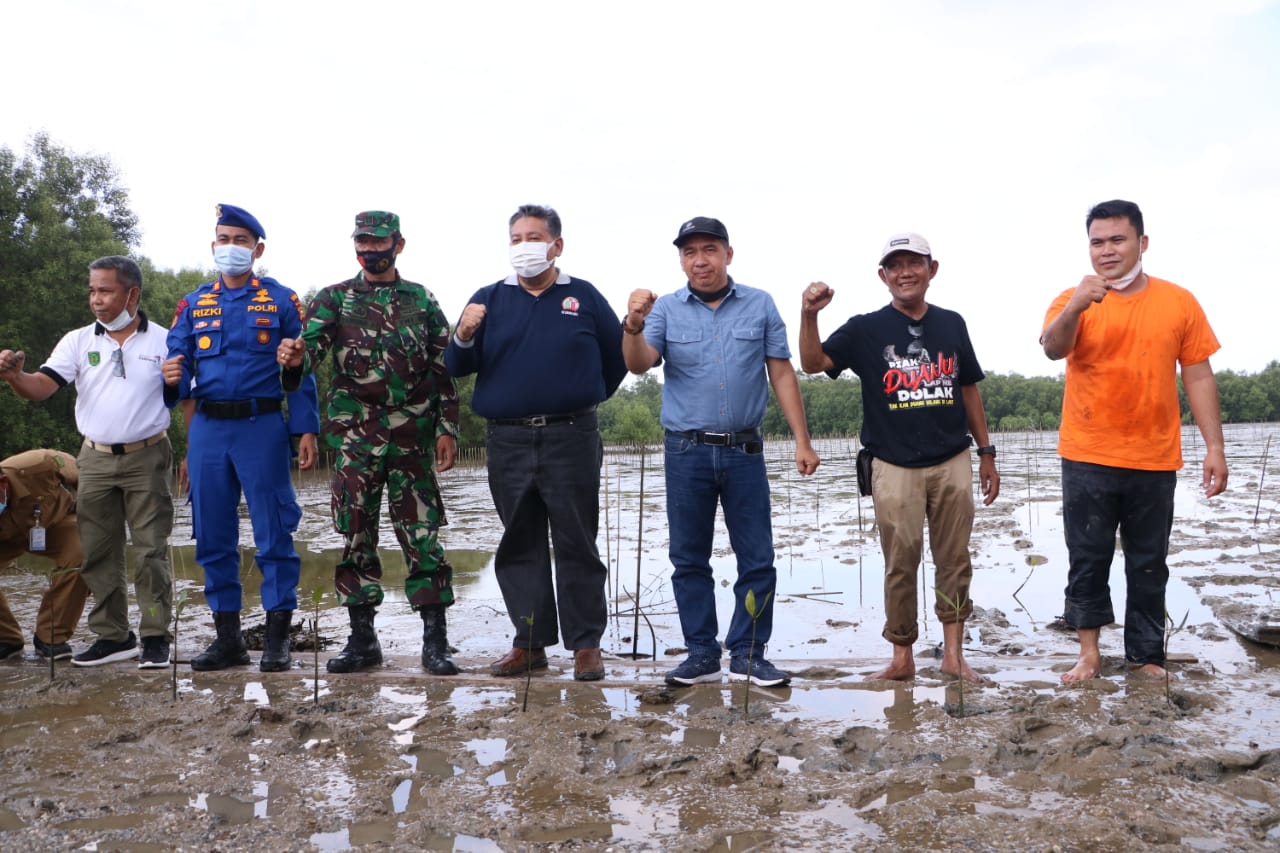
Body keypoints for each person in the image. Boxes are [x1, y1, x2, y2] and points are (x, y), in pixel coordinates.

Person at [623, 216, 820, 688]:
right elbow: (637, 366)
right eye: (689, 252)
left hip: (744, 451)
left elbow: (782, 374)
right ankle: (701, 654)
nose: (700, 260)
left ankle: (750, 653)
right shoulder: (665, 310)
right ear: (681, 260)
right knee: (689, 559)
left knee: (757, 558)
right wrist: (631, 325)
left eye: (709, 249)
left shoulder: (760, 304)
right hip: (685, 452)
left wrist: (802, 440)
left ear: (728, 254)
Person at [798, 232, 1000, 683]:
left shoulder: (952, 324)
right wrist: (809, 315)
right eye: (895, 265)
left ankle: (953, 656)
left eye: (915, 263)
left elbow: (968, 387)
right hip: (892, 465)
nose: (905, 272)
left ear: (932, 269)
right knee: (900, 561)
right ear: (883, 276)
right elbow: (813, 363)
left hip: (952, 458)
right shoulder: (865, 328)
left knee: (954, 558)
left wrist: (986, 453)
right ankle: (902, 657)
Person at [1040, 199, 1227, 683]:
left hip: (1153, 456)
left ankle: (1146, 657)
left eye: (1117, 240)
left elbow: (1199, 376)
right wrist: (1079, 304)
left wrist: (1215, 447)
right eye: (1097, 242)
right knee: (1088, 558)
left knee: (1148, 563)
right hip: (1086, 453)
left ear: (1142, 243)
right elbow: (1052, 347)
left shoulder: (1178, 301)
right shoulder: (1071, 298)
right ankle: (1089, 653)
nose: (1106, 251)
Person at [445, 203, 626, 682]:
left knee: (577, 542)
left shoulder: (584, 297)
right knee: (519, 542)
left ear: (556, 245)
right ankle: (529, 644)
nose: (524, 246)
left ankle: (586, 646)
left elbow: (617, 362)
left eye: (534, 237)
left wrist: (579, 397)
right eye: (516, 238)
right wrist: (462, 334)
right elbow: (456, 367)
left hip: (572, 436)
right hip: (507, 440)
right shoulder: (487, 299)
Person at [277, 211, 461, 675]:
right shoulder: (334, 300)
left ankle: (435, 644)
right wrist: (294, 359)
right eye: (362, 242)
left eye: (378, 243)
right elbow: (307, 358)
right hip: (356, 439)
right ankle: (362, 642)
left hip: (412, 437)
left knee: (423, 538)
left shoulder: (421, 299)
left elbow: (444, 368)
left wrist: (447, 428)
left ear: (398, 245)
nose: (370, 250)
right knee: (355, 533)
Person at [0, 255, 176, 668]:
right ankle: (114, 637)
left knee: (151, 551)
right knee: (98, 551)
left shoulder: (166, 340)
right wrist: (14, 377)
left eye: (106, 291)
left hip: (148, 454)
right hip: (93, 458)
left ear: (132, 293)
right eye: (92, 291)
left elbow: (187, 393)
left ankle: (154, 635)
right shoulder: (78, 340)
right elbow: (42, 387)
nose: (96, 300)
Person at [165, 204, 319, 673]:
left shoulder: (281, 300)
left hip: (262, 425)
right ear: (214, 246)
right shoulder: (194, 304)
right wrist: (172, 377)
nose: (230, 247)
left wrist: (305, 427)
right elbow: (177, 367)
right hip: (209, 428)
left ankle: (276, 642)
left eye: (240, 239)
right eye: (223, 239)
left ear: (258, 248)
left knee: (274, 531)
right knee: (212, 534)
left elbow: (302, 368)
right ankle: (228, 640)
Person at [0, 450, 91, 660]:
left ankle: (51, 635)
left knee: (83, 552)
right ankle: (6, 639)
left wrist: (92, 514)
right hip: (5, 537)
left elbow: (86, 476)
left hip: (54, 524)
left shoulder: (39, 463)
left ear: (3, 481)